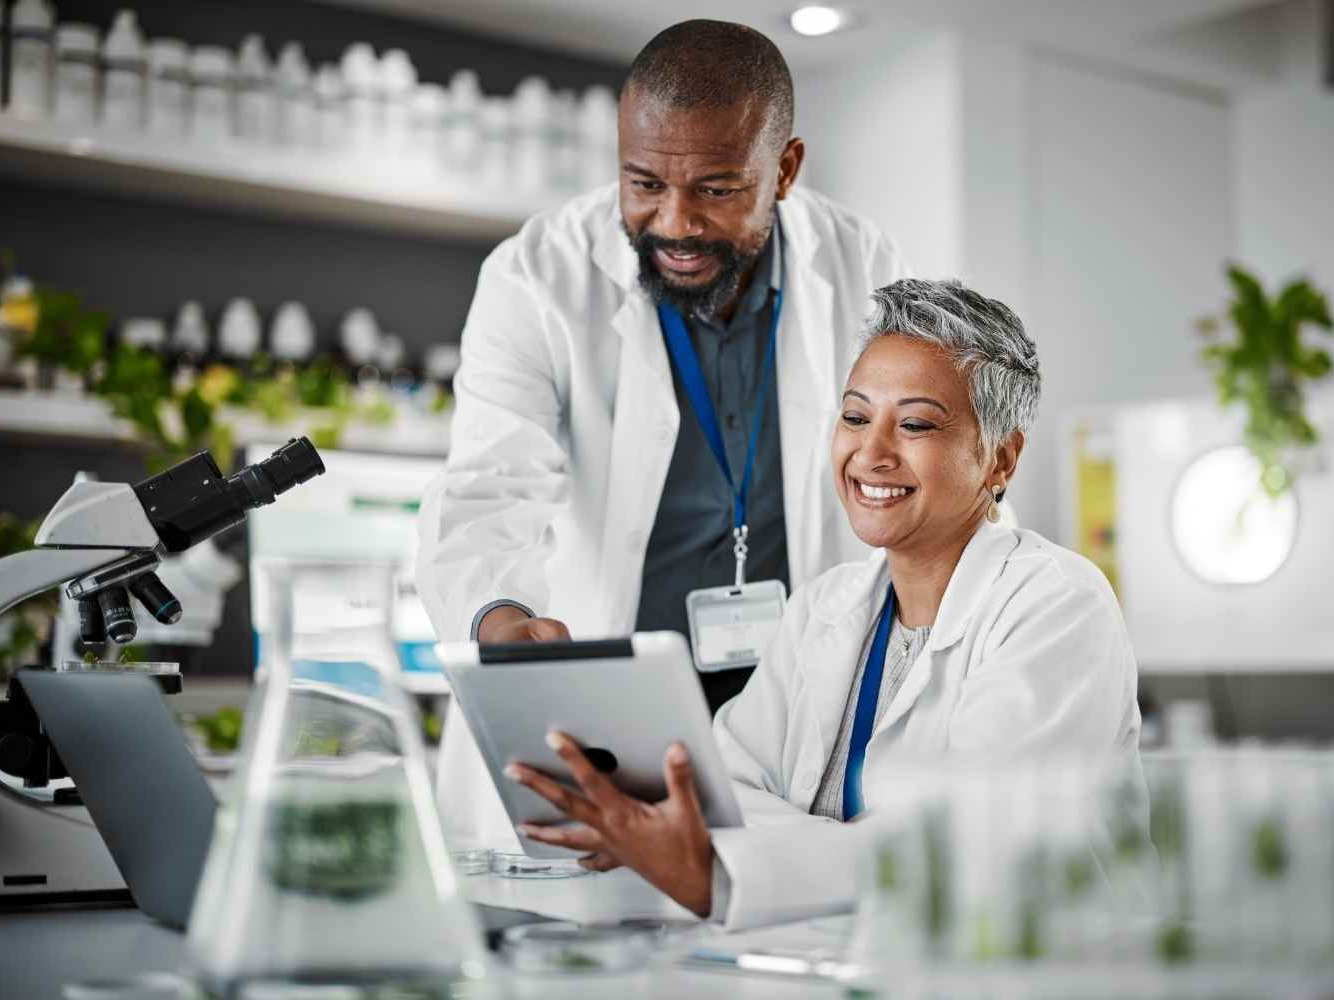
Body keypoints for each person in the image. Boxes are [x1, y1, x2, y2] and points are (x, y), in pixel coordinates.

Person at [506, 278, 1145, 929]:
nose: (871, 453)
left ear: (1000, 459)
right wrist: (770, 848)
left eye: (916, 424)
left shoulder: (1057, 605)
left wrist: (738, 862)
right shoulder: (824, 609)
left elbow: (967, 847)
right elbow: (725, 796)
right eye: (855, 416)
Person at [418, 20, 910, 852]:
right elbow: (488, 488)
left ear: (784, 169)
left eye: (717, 189)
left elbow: (907, 477)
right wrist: (500, 616)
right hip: (608, 719)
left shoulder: (863, 266)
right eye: (643, 182)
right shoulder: (536, 274)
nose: (673, 223)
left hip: (789, 728)